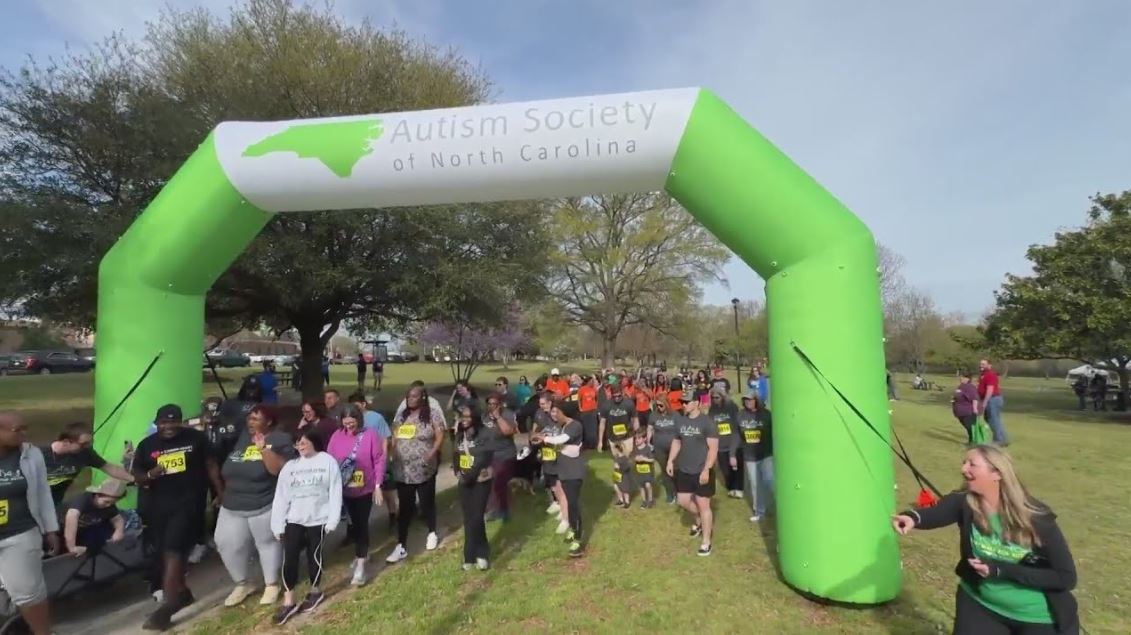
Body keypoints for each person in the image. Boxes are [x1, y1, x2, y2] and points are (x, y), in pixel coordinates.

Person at [892, 445, 1078, 634]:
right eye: (964, 463)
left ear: (997, 473)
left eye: (972, 464)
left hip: (1036, 617)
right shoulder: (965, 502)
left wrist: (999, 570)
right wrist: (912, 517)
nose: (963, 469)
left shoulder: (1036, 517)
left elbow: (1066, 577)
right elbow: (937, 512)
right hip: (980, 605)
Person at [132, 404, 224, 631]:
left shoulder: (197, 439)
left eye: (174, 422)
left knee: (174, 551)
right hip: (158, 507)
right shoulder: (147, 445)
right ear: (157, 423)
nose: (169, 427)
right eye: (164, 422)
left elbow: (211, 466)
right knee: (165, 553)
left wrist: (221, 493)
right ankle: (182, 593)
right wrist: (149, 475)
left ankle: (168, 607)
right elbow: (137, 475)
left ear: (181, 422)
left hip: (188, 505)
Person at [215, 406, 294, 608]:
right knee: (226, 543)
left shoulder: (280, 439)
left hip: (262, 503)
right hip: (232, 504)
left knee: (266, 543)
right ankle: (243, 583)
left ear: (268, 421)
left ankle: (271, 584)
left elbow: (279, 470)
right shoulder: (243, 437)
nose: (250, 422)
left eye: (256, 418)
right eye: (249, 418)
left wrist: (263, 449)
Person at [270, 429, 342, 626]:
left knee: (314, 555)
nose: (300, 446)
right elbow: (281, 497)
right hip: (294, 519)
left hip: (318, 518)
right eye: (297, 444)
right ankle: (289, 600)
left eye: (303, 442)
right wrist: (277, 524)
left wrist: (333, 519)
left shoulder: (327, 462)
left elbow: (335, 490)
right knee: (290, 557)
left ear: (313, 442)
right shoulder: (290, 467)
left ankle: (315, 591)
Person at [0, 412, 60, 635]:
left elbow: (43, 492)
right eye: (18, 430)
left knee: (29, 593)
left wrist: (51, 529)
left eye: (25, 428)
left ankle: (42, 633)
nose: (24, 434)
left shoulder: (31, 454)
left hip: (20, 533)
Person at [386, 385, 446, 564]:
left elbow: (440, 435)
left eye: (414, 396)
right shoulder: (402, 415)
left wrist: (432, 452)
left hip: (423, 468)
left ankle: (432, 532)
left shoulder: (431, 414)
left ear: (422, 397)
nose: (410, 399)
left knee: (427, 502)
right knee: (405, 507)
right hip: (402, 470)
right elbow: (395, 436)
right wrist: (391, 451)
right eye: (408, 396)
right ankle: (401, 545)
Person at [328, 406, 385, 586]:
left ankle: (361, 566)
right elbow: (329, 460)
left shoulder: (370, 435)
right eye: (345, 418)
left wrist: (377, 485)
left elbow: (379, 460)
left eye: (352, 418)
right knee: (353, 525)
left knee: (361, 525)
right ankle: (363, 553)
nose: (348, 422)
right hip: (344, 490)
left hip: (365, 489)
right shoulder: (337, 436)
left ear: (358, 418)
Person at [666, 389, 718, 556]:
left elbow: (713, 449)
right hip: (684, 469)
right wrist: (670, 460)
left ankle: (706, 541)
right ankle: (700, 521)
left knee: (704, 505)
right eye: (682, 402)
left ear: (696, 402)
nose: (683, 404)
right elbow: (676, 442)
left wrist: (706, 470)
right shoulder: (680, 421)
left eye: (686, 402)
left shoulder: (707, 422)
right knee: (682, 501)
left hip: (701, 470)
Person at [41, 421, 133, 505]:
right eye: (83, 444)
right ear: (66, 442)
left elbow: (109, 468)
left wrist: (135, 479)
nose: (87, 446)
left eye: (89, 443)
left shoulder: (85, 453)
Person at [453, 406, 494, 571]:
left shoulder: (485, 434)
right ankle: (472, 556)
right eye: (463, 416)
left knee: (476, 518)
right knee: (468, 518)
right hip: (463, 481)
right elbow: (456, 454)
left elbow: (483, 457)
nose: (464, 419)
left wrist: (468, 476)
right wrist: (457, 472)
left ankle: (479, 554)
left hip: (480, 480)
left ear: (475, 418)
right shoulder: (459, 433)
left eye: (468, 417)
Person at [542, 401, 585, 558]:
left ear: (563, 412)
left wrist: (544, 438)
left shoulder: (575, 426)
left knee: (573, 505)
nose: (553, 415)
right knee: (569, 501)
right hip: (565, 471)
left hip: (574, 473)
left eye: (555, 412)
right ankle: (573, 531)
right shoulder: (564, 426)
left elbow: (561, 440)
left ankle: (578, 540)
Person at [530, 393, 569, 534]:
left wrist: (548, 439)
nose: (543, 409)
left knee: (561, 488)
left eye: (545, 405)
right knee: (554, 488)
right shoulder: (542, 417)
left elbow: (565, 438)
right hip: (547, 460)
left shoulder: (561, 422)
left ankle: (566, 519)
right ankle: (562, 508)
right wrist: (537, 438)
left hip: (559, 459)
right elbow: (536, 433)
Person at [62, 478, 126, 556]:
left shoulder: (109, 506)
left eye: (112, 503)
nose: (108, 505)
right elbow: (71, 518)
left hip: (87, 529)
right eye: (106, 502)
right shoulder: (82, 499)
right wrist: (72, 547)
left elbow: (117, 519)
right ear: (97, 495)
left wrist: (119, 531)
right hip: (65, 530)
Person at [737, 392, 774, 522]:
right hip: (749, 456)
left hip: (766, 454)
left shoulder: (766, 415)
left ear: (756, 400)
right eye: (745, 400)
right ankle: (759, 511)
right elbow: (737, 435)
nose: (747, 402)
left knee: (770, 482)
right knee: (755, 484)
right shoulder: (740, 415)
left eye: (750, 399)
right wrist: (732, 454)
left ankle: (780, 506)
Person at [482, 393, 518, 522]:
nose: (491, 406)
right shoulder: (484, 416)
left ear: (500, 405)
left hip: (505, 454)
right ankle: (493, 508)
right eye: (489, 404)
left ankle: (503, 510)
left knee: (499, 482)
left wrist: (498, 417)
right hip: (488, 454)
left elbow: (508, 431)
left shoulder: (507, 414)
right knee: (489, 482)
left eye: (494, 404)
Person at [707, 387, 742, 498]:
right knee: (725, 470)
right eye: (712, 398)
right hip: (720, 445)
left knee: (736, 468)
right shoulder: (712, 410)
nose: (714, 400)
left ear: (722, 397)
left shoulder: (731, 407)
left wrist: (734, 448)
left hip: (732, 441)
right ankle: (730, 487)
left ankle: (739, 488)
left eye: (717, 397)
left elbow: (736, 427)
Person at [649, 398, 679, 504]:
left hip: (674, 448)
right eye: (657, 405)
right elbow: (650, 429)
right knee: (665, 471)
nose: (658, 408)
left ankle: (679, 492)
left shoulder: (675, 415)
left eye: (661, 405)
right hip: (659, 448)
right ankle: (670, 494)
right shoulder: (653, 415)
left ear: (666, 404)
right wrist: (649, 442)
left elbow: (680, 430)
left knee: (675, 470)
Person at [598, 383, 637, 460]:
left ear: (622, 393)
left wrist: (636, 436)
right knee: (617, 459)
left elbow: (634, 420)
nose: (617, 398)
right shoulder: (606, 405)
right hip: (613, 437)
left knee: (626, 458)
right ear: (611, 395)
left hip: (627, 436)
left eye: (619, 396)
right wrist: (600, 441)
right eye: (614, 396)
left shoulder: (629, 404)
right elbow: (602, 423)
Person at [979, 359, 1009, 446]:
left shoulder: (990, 375)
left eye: (983, 364)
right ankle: (1003, 439)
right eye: (980, 364)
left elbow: (990, 390)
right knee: (992, 419)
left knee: (993, 419)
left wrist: (984, 402)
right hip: (990, 399)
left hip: (993, 399)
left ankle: (998, 440)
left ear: (989, 365)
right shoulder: (983, 375)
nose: (981, 365)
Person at [952, 372, 981, 444]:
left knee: (970, 427)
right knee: (968, 427)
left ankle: (973, 442)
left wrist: (975, 409)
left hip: (968, 411)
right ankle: (971, 441)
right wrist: (954, 400)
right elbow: (959, 396)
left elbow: (974, 398)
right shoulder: (961, 386)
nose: (960, 378)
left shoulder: (970, 387)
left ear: (968, 379)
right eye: (961, 377)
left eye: (963, 377)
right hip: (960, 412)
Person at [631, 430, 656, 508]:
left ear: (644, 439)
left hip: (648, 472)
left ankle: (650, 500)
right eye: (635, 438)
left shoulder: (648, 448)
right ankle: (644, 501)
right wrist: (636, 459)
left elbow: (652, 460)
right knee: (641, 487)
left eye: (639, 438)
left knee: (648, 485)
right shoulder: (635, 449)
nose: (636, 440)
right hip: (639, 472)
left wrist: (644, 459)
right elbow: (632, 458)